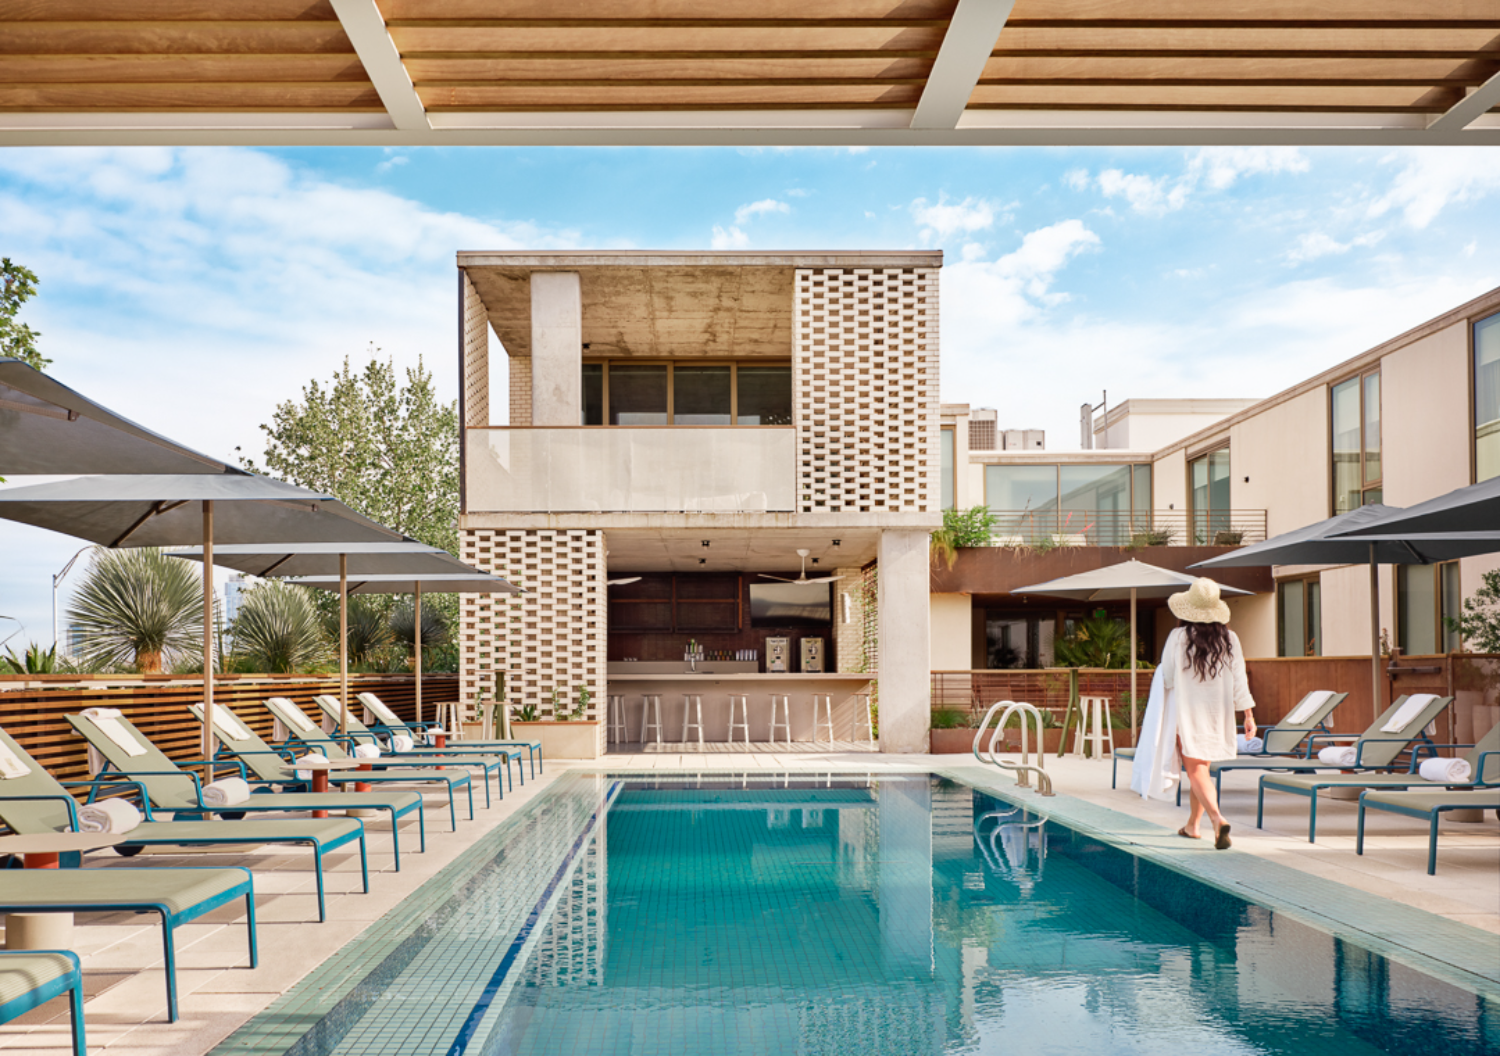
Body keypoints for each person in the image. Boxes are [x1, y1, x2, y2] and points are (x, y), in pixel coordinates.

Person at [1154, 577, 1255, 849]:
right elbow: (1239, 679)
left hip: (1188, 710)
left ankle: (1216, 819)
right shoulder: (1230, 638)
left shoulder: (1178, 637)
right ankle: (1192, 825)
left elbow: (1167, 676)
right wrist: (1248, 715)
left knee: (1195, 769)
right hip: (1218, 713)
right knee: (1202, 769)